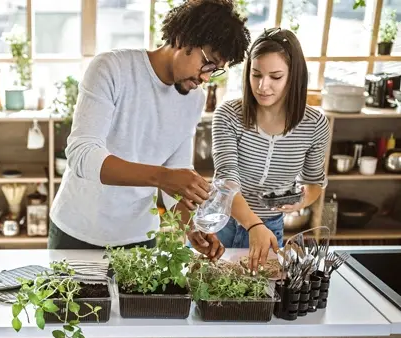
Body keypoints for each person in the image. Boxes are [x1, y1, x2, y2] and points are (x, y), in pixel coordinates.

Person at [48, 0, 251, 259]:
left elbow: (177, 173)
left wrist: (191, 225)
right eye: (208, 64)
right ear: (183, 37)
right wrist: (163, 177)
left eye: (216, 71)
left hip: (139, 241)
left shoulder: (194, 99)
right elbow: (82, 154)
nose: (206, 77)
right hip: (76, 233)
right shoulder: (111, 68)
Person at [211, 27, 331, 272]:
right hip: (221, 224)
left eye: (275, 77)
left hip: (270, 229)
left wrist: (298, 202)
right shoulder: (228, 115)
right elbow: (227, 180)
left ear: (294, 76)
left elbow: (315, 182)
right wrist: (254, 225)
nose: (262, 86)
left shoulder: (314, 124)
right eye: (256, 75)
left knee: (257, 303)